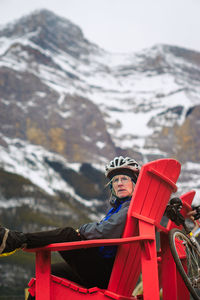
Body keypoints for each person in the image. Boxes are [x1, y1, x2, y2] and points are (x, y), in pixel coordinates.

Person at [0, 156, 140, 297]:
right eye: (115, 180)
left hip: (107, 274)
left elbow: (105, 231)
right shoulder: (123, 207)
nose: (119, 183)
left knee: (68, 234)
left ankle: (14, 240)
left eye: (124, 179)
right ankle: (15, 240)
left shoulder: (129, 207)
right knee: (48, 272)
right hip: (113, 271)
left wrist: (82, 231)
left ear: (135, 182)